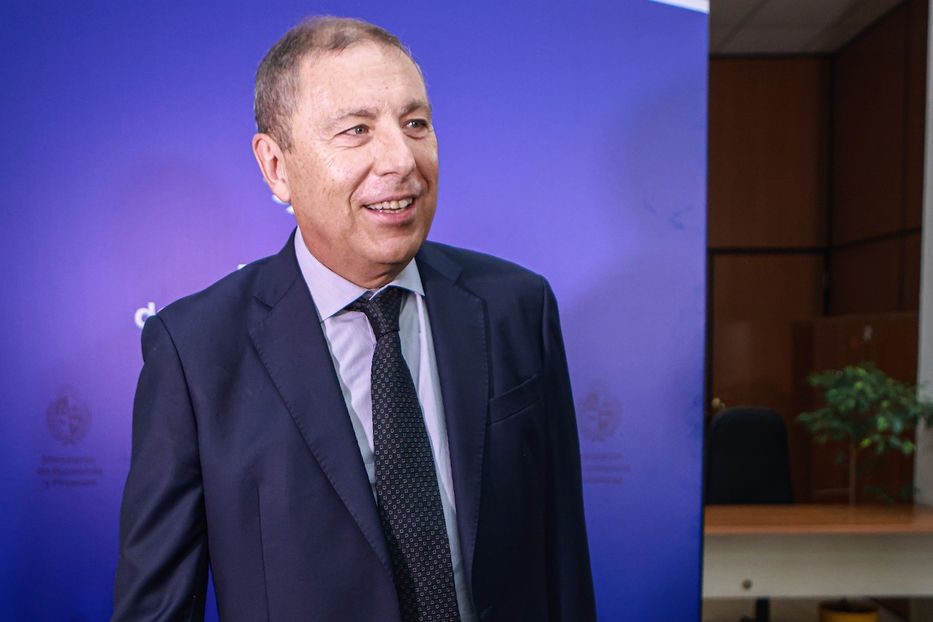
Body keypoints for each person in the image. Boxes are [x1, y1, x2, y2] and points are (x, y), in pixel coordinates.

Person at [113, 16, 595, 622]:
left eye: (415, 123)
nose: (401, 159)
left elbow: (562, 564)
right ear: (276, 166)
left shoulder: (516, 307)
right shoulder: (196, 351)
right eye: (357, 130)